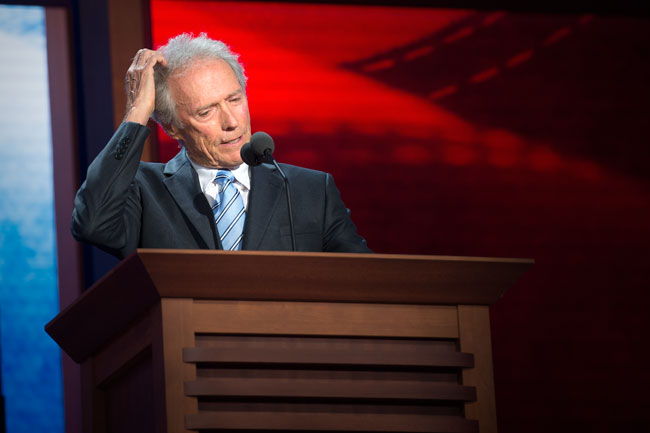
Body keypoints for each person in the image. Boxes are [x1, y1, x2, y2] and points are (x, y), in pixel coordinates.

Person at [71, 33, 370, 258]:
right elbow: (93, 224)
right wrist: (137, 112)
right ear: (173, 126)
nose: (231, 122)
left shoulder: (311, 190)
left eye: (235, 100)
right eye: (206, 112)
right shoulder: (143, 190)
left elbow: (369, 282)